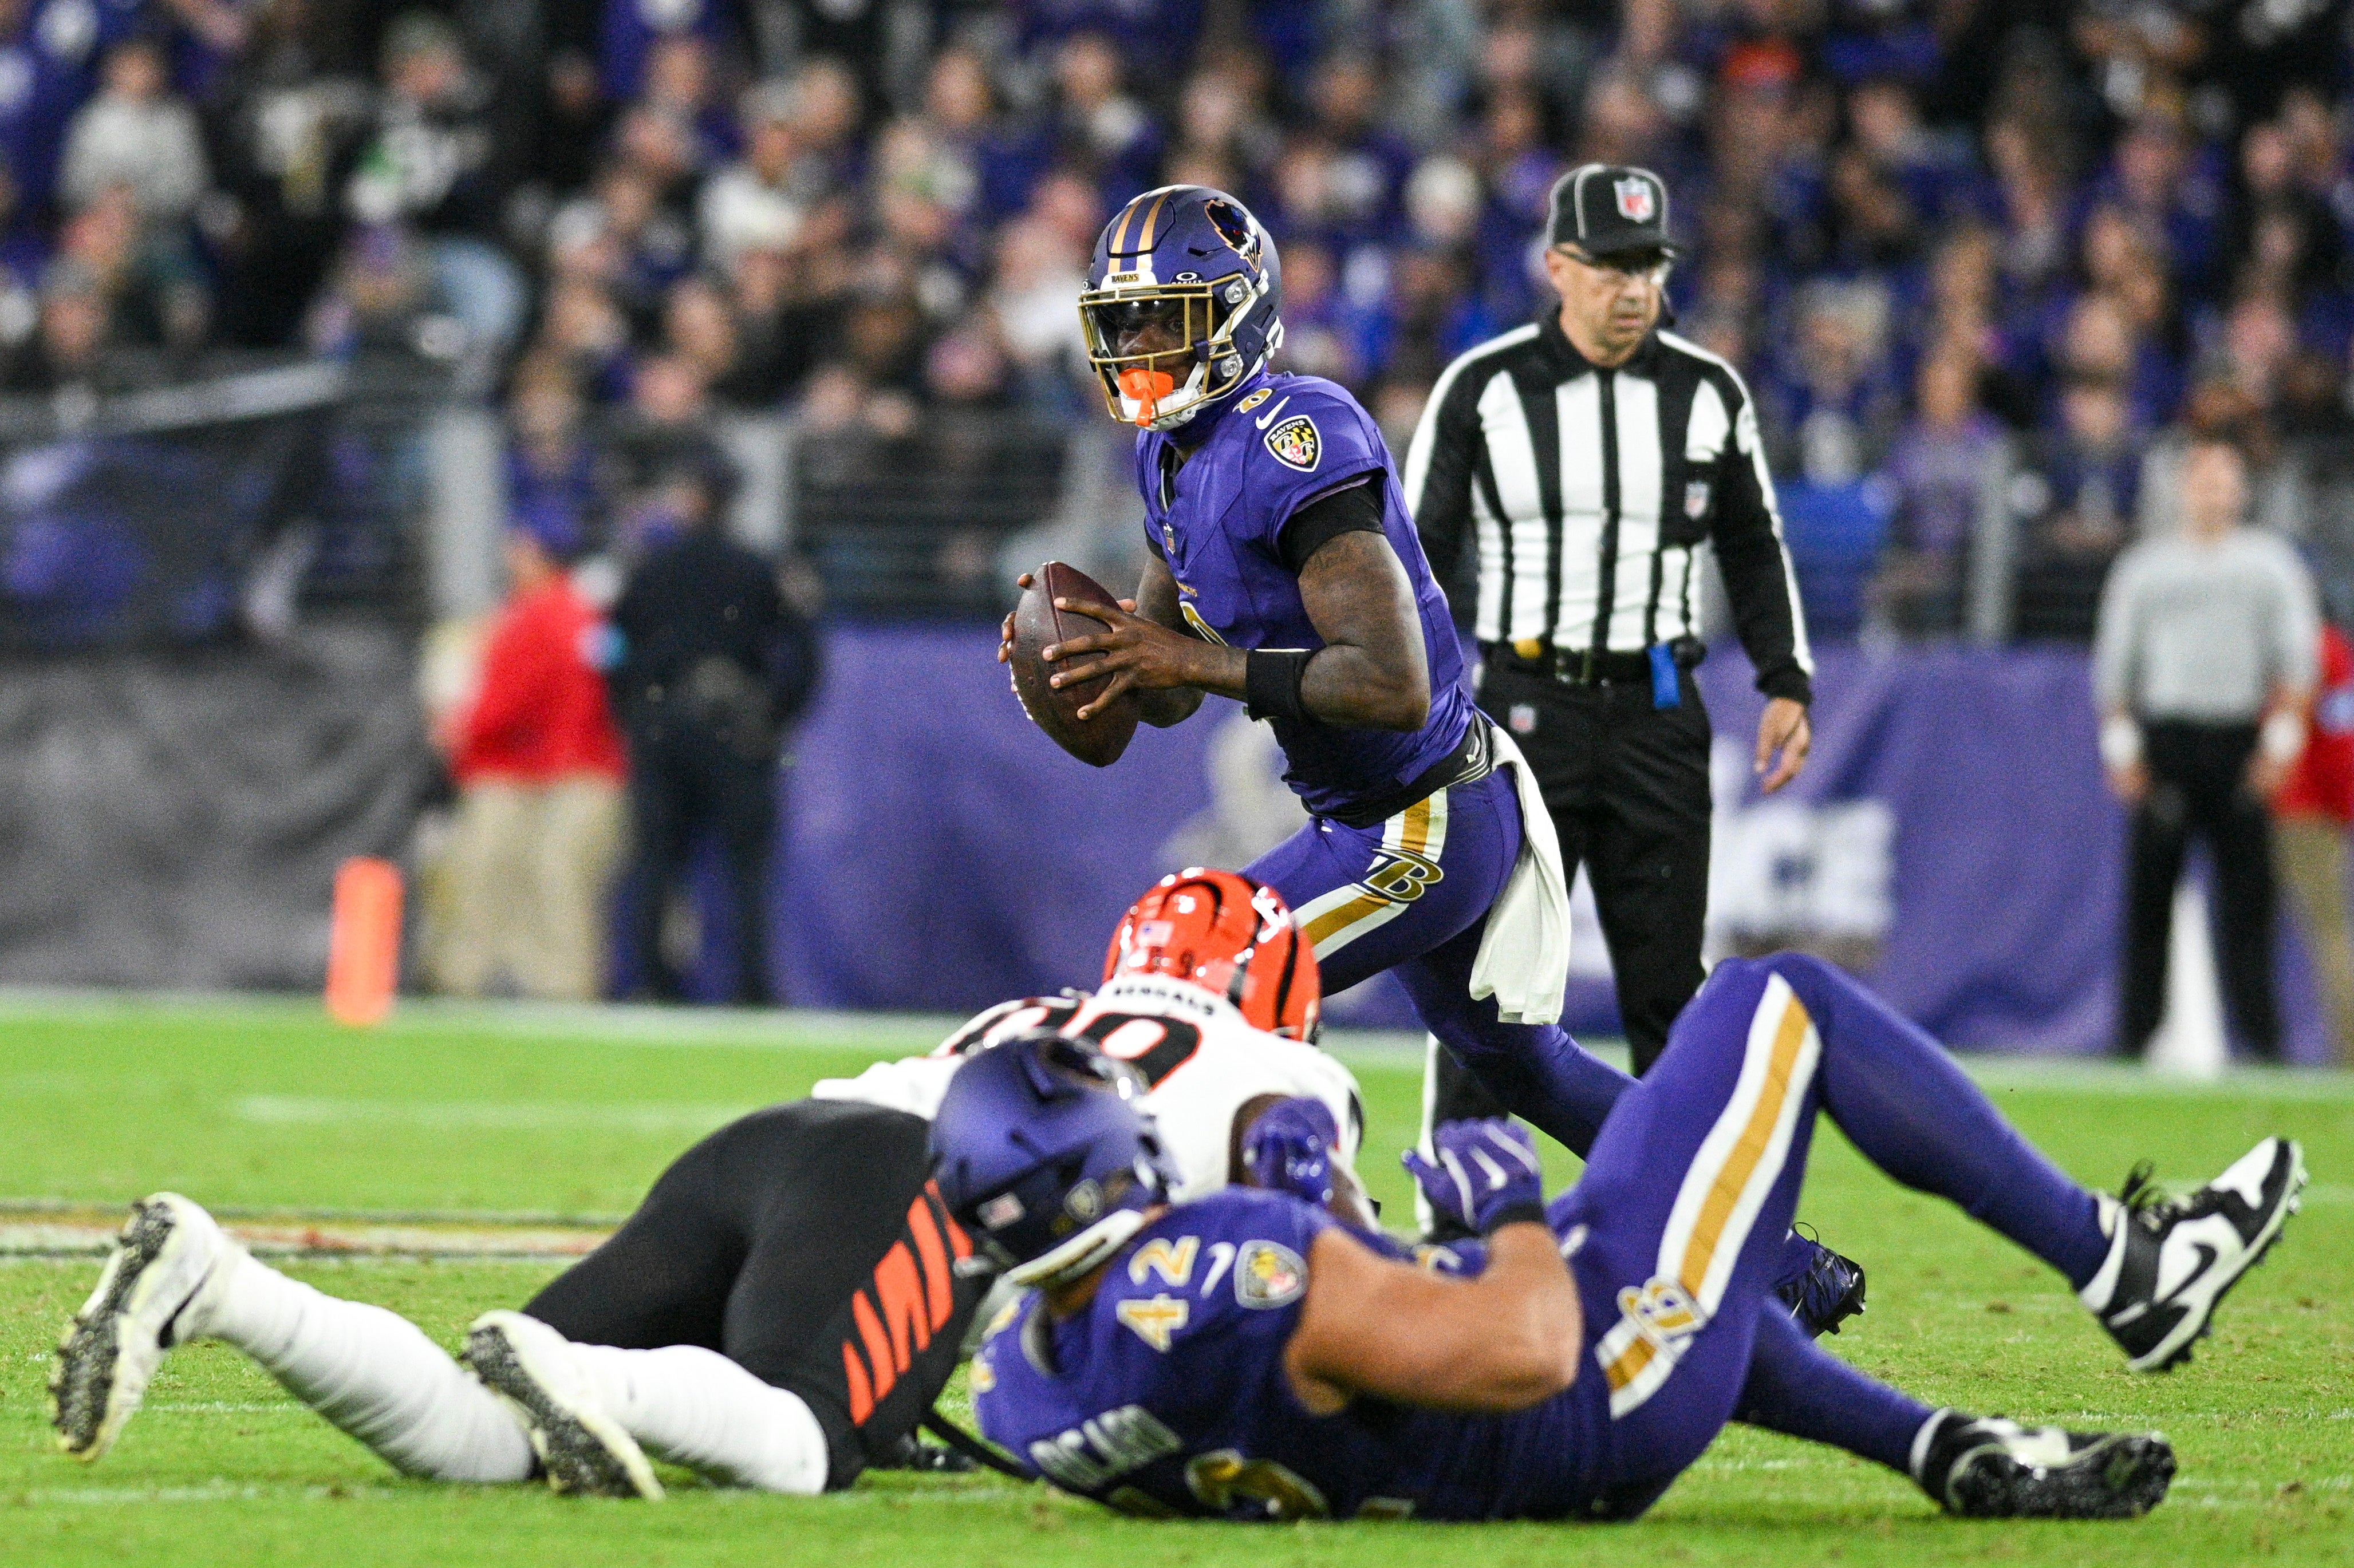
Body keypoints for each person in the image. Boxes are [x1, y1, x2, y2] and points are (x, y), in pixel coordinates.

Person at [1005, 183, 1860, 1329]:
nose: (1143, 344)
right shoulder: (1168, 456)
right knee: (1525, 1066)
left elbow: (1387, 679)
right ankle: (1786, 1262)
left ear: (1239, 315)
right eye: (1129, 322)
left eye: (1170, 317)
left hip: (1425, 813)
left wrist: (1187, 660)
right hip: (1369, 815)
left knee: (1196, 985)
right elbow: (1164, 690)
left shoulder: (1294, 438)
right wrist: (1096, 665)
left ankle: (1283, 1276)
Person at [50, 872, 1367, 1499]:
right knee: (806, 1441)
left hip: (782, 1139)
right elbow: (1310, 1254)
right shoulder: (1282, 1070)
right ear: (1278, 994)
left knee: (481, 1436)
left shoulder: (1035, 1010)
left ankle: (222, 1285)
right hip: (904, 1188)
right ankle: (590, 1379)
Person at [938, 956, 2307, 1523]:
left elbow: (1334, 1358)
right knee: (1777, 1002)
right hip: (1584, 1396)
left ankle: (1946, 1448)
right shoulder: (1228, 1262)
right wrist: (1504, 1211)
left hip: (1456, 1453)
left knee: (1683, 1247)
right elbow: (1528, 1344)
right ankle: (2127, 1266)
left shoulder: (1024, 1385)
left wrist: (1325, 1214)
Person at [1405, 164, 1814, 1092]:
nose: (1632, 288)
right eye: (1610, 266)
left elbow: (1752, 543)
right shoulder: (1484, 387)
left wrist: (1784, 679)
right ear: (1557, 266)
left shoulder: (1707, 391)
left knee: (1668, 982)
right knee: (1491, 970)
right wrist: (1415, 697)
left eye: (1647, 266)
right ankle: (1467, 1176)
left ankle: (1670, 1183)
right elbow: (1416, 556)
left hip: (1657, 709)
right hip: (1524, 707)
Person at [2093, 434, 2319, 1059]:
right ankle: (2133, 1038)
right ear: (2182, 489)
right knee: (2149, 901)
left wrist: (2278, 749)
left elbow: (2297, 666)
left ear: (2241, 491)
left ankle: (2263, 1042)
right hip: (2166, 742)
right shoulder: (2145, 567)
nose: (2212, 493)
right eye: (2202, 480)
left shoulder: (2268, 563)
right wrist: (2123, 752)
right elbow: (2115, 671)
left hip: (2237, 740)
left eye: (2224, 480)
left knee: (2249, 905)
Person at [607, 448, 818, 1004]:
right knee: (748, 869)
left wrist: (633, 714)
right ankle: (752, 988)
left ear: (691, 498)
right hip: (737, 730)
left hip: (663, 727)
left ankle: (652, 982)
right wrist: (777, 713)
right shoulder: (760, 568)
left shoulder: (650, 568)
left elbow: (611, 646)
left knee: (657, 861)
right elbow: (804, 651)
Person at [429, 522, 627, 1002]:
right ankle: (553, 983)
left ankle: (485, 981)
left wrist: (463, 731)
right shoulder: (582, 612)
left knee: (503, 876)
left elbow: (510, 696)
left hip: (535, 768)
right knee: (551, 878)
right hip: (570, 767)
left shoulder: (537, 613)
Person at [2270, 613, 2354, 1065]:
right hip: (2311, 807)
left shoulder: (2309, 647)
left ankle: (2347, 1049)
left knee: (2327, 932)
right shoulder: (2330, 646)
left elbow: (2335, 738)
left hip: (2298, 809)